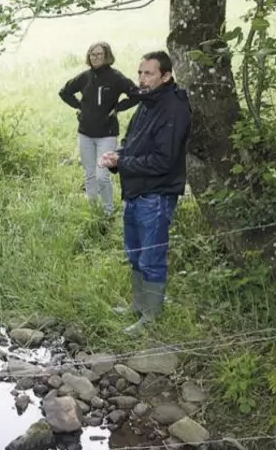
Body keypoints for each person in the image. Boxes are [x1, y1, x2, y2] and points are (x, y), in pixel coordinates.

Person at [98, 50, 191, 334]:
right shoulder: (147, 103)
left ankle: (151, 316)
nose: (142, 78)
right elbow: (134, 144)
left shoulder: (173, 108)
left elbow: (165, 160)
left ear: (166, 76)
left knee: (151, 257)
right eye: (140, 72)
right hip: (136, 191)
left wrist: (123, 161)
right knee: (135, 253)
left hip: (157, 194)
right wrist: (118, 157)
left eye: (149, 73)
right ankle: (138, 306)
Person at [59, 41, 139, 216]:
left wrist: (118, 108)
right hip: (85, 133)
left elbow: (136, 94)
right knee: (90, 175)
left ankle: (108, 211)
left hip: (106, 134)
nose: (95, 58)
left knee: (102, 175)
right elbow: (64, 92)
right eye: (92, 54)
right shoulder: (84, 77)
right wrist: (80, 106)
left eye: (99, 54)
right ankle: (93, 211)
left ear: (106, 56)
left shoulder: (116, 77)